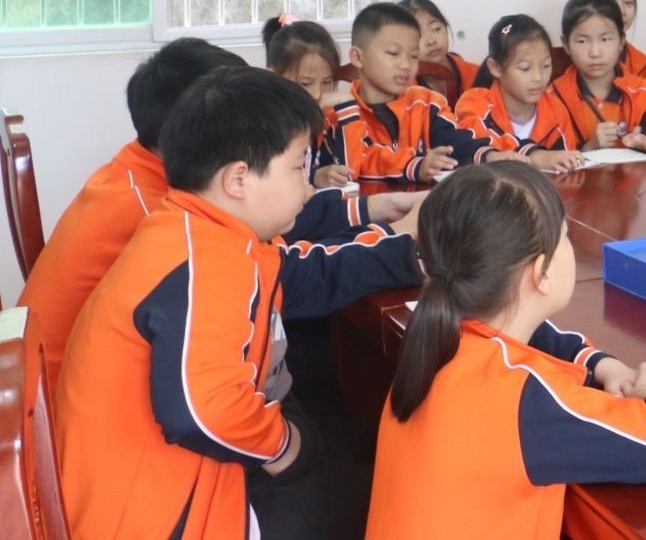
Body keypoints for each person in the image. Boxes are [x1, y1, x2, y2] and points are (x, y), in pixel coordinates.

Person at [58, 68, 424, 540]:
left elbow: (293, 274)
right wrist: (287, 448)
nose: (307, 187)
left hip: (180, 473)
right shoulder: (206, 262)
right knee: (394, 505)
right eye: (298, 167)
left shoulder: (200, 230)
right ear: (238, 179)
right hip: (171, 509)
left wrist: (407, 252)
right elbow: (201, 414)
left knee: (359, 450)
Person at [21, 38, 417, 379]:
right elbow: (282, 277)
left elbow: (269, 231)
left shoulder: (145, 171)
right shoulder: (151, 211)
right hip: (74, 416)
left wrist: (372, 209)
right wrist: (401, 243)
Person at [364, 160, 646, 540]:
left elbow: (539, 336)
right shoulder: (524, 400)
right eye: (565, 236)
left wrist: (600, 364)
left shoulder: (436, 335)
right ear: (541, 273)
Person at [331, 2, 492, 189]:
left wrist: (488, 154)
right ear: (358, 57)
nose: (406, 65)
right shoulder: (341, 115)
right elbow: (356, 164)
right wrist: (415, 166)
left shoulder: (426, 102)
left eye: (413, 56)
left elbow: (453, 140)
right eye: (393, 53)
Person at [452, 15, 589, 171]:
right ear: (495, 67)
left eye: (546, 65)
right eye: (525, 68)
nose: (538, 77)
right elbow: (481, 145)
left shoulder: (556, 110)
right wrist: (535, 155)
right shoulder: (474, 103)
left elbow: (566, 166)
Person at [550, 0, 646, 155]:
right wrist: (588, 148)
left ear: (622, 41)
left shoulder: (643, 94)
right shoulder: (553, 98)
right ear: (566, 45)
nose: (595, 52)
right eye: (582, 41)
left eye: (605, 39)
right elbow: (545, 157)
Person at [262, 15, 353, 187]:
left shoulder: (328, 117)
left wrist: (347, 104)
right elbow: (269, 180)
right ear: (273, 78)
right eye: (305, 84)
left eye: (327, 82)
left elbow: (354, 167)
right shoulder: (266, 126)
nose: (317, 94)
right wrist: (314, 177)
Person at [400, 0, 480, 94]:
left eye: (436, 29)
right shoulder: (400, 88)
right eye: (419, 35)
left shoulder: (479, 75)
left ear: (445, 27)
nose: (431, 41)